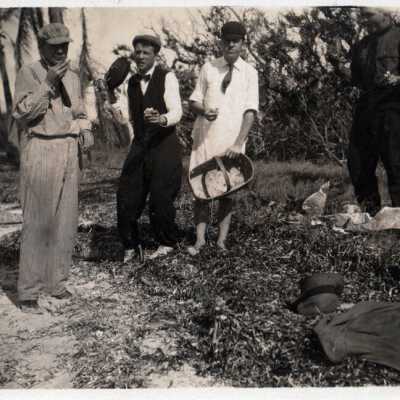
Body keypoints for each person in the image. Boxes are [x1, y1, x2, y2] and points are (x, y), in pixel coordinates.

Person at [12, 23, 93, 313]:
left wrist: (85, 129)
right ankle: (28, 292)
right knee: (38, 220)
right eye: (54, 46)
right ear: (42, 47)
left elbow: (80, 110)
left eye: (65, 45)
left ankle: (56, 283)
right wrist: (47, 83)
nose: (60, 50)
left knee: (65, 219)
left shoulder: (72, 75)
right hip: (42, 146)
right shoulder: (29, 72)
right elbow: (23, 114)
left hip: (69, 148)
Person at [187, 21, 259, 255]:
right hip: (205, 137)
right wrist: (202, 110)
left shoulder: (250, 73)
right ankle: (200, 240)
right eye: (226, 40)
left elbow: (250, 111)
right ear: (220, 42)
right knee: (201, 190)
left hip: (232, 140)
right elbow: (194, 100)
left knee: (228, 192)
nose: (230, 44)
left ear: (242, 43)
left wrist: (239, 143)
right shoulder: (208, 68)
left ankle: (221, 241)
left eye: (235, 40)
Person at [116, 34, 183, 262]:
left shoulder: (168, 77)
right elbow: (125, 116)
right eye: (138, 52)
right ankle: (131, 246)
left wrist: (162, 119)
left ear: (156, 55)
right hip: (141, 144)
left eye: (146, 52)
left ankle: (167, 243)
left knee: (160, 196)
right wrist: (115, 113)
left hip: (165, 143)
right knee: (126, 192)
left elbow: (177, 112)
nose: (141, 56)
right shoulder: (131, 82)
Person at [348, 7, 400, 215]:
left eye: (369, 14)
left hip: (394, 109)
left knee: (396, 164)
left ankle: (398, 218)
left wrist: (398, 80)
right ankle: (370, 213)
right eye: (362, 15)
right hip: (366, 110)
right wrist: (353, 89)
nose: (364, 20)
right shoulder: (362, 45)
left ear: (385, 12)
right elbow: (355, 80)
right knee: (357, 161)